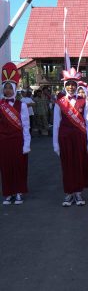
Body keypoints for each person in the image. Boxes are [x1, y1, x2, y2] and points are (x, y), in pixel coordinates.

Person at [53, 67, 88, 207]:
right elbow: (56, 124)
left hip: (79, 138)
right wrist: (55, 144)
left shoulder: (84, 101)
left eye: (73, 84)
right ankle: (69, 193)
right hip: (64, 138)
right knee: (67, 165)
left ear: (77, 86)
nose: (71, 86)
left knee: (79, 164)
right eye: (68, 84)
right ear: (65, 86)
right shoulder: (60, 102)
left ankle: (78, 192)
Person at [0, 62, 31, 205]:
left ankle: (18, 192)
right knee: (6, 168)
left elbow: (26, 126)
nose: (7, 90)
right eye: (5, 88)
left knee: (19, 167)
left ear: (14, 89)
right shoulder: (0, 105)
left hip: (18, 141)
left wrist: (27, 144)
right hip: (4, 142)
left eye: (9, 87)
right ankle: (8, 193)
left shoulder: (22, 105)